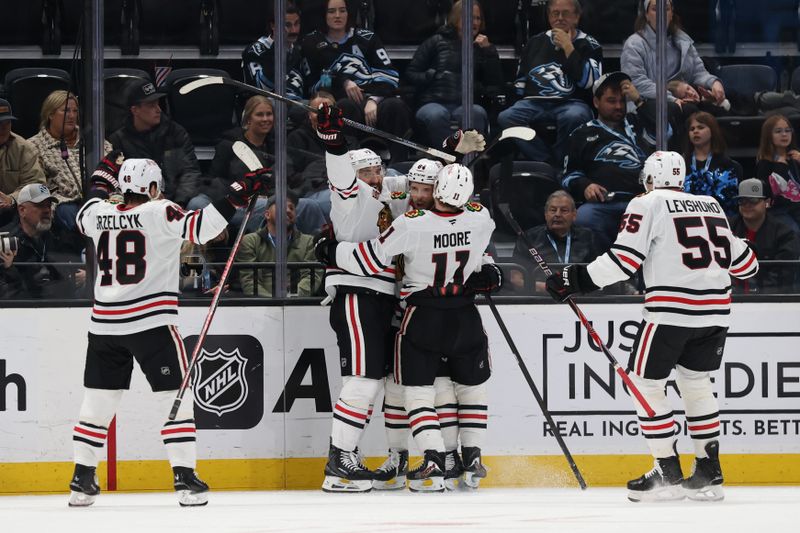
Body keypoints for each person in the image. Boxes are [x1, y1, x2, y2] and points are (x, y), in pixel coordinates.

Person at [546, 151, 759, 502]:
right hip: (716, 314)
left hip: (670, 314)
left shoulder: (647, 204)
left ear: (648, 179)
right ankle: (708, 470)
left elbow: (624, 260)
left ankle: (667, 470)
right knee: (696, 383)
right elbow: (747, 266)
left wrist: (576, 277)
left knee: (644, 385)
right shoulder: (710, 204)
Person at [67, 155, 270, 507]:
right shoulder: (159, 212)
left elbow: (89, 203)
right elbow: (203, 227)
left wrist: (102, 179)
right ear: (152, 187)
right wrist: (239, 191)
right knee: (175, 399)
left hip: (104, 326)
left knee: (97, 402)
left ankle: (81, 477)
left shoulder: (98, 213)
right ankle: (184, 479)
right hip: (151, 325)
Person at [315, 163, 500, 492]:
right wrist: (489, 268)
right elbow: (479, 247)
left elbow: (371, 258)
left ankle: (430, 459)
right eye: (415, 188)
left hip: (421, 311)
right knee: (464, 388)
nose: (418, 194)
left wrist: (332, 251)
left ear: (436, 190)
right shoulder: (481, 216)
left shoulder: (412, 224)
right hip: (463, 313)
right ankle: (465, 458)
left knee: (415, 390)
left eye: (426, 189)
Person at [312, 103, 414, 493]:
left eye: (377, 169)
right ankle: (339, 462)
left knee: (389, 383)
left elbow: (425, 184)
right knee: (361, 382)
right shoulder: (348, 196)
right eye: (365, 171)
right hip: (357, 295)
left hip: (388, 299)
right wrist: (333, 142)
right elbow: (339, 171)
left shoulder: (390, 189)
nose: (373, 176)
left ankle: (395, 460)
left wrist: (450, 152)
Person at [299, 0, 413, 161]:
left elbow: (390, 75)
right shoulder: (312, 42)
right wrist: (343, 82)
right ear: (323, 15)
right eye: (331, 11)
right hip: (339, 100)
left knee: (395, 106)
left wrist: (373, 99)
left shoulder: (367, 38)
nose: (337, 15)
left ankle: (398, 165)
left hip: (374, 98)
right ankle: (349, 164)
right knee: (344, 108)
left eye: (342, 10)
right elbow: (312, 85)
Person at [562, 71, 662, 253]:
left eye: (622, 101)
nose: (618, 106)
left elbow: (666, 133)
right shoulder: (582, 134)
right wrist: (586, 185)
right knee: (585, 218)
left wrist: (638, 100)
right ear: (596, 102)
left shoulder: (639, 124)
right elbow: (569, 175)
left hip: (643, 201)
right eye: (611, 101)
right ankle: (609, 273)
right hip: (604, 204)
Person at [497, 0, 602, 166]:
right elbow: (520, 81)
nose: (560, 18)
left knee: (575, 116)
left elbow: (590, 83)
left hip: (572, 103)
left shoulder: (589, 44)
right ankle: (547, 161)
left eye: (566, 13)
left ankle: (562, 164)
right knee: (506, 117)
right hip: (534, 102)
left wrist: (569, 48)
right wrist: (514, 102)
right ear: (548, 16)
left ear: (576, 17)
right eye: (555, 13)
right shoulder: (535, 42)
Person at [621, 0, 726, 141]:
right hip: (645, 103)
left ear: (671, 13)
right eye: (655, 9)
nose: (661, 14)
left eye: (666, 9)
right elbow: (638, 83)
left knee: (714, 109)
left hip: (682, 100)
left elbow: (698, 72)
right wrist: (671, 98)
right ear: (646, 15)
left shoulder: (683, 40)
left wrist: (714, 83)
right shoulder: (634, 44)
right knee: (682, 111)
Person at [405, 0, 503, 147]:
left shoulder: (483, 47)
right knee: (436, 115)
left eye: (478, 18)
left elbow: (495, 84)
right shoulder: (436, 41)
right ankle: (447, 160)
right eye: (469, 17)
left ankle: (470, 163)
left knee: (474, 113)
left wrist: (489, 52)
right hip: (433, 102)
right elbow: (411, 73)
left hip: (467, 103)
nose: (474, 22)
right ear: (456, 18)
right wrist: (430, 75)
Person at [107, 80, 203, 208]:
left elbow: (190, 172)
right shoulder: (118, 140)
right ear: (135, 110)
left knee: (199, 203)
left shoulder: (175, 133)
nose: (158, 110)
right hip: (138, 205)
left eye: (158, 104)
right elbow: (115, 182)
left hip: (177, 202)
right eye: (151, 105)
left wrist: (177, 204)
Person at [28, 91, 112, 231]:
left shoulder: (92, 139)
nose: (72, 116)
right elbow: (37, 186)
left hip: (101, 197)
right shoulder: (34, 146)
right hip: (65, 203)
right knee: (71, 214)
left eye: (75, 111)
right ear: (50, 114)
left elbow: (112, 163)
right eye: (66, 110)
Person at [0, 183, 84, 299]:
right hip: (22, 310)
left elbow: (79, 265)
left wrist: (87, 275)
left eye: (49, 205)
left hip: (64, 309)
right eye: (40, 206)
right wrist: (10, 270)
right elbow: (8, 294)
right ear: (22, 210)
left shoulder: (59, 235)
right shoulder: (6, 242)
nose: (46, 210)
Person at [236, 190, 320, 297]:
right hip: (260, 307)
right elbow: (249, 281)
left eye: (292, 208)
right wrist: (273, 303)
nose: (288, 210)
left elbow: (312, 277)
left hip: (297, 305)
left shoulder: (309, 242)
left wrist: (292, 297)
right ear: (267, 214)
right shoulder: (249, 241)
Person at [511, 190, 596, 293]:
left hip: (580, 298)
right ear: (546, 214)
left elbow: (599, 274)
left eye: (564, 210)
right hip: (539, 300)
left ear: (574, 214)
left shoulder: (587, 237)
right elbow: (515, 281)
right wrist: (550, 288)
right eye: (553, 210)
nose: (557, 214)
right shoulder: (528, 238)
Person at [241, 2, 307, 127]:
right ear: (273, 25)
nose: (293, 30)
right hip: (266, 107)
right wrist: (279, 49)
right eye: (287, 25)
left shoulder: (299, 50)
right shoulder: (256, 50)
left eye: (296, 24)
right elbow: (262, 88)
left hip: (298, 106)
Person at [730, 178, 800, 293]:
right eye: (742, 200)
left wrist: (756, 297)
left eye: (753, 200)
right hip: (733, 299)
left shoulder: (786, 234)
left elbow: (783, 277)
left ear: (767, 202)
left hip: (770, 302)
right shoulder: (727, 229)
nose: (747, 205)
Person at [682, 111, 742, 216]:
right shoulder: (680, 165)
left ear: (712, 131)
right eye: (692, 129)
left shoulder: (730, 166)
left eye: (700, 127)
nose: (695, 131)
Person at [0, 98, 46, 227]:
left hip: (14, 212)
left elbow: (38, 186)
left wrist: (12, 199)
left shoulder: (24, 148)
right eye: (0, 123)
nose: (4, 128)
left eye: (7, 122)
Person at [755, 114, 800, 232]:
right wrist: (780, 166)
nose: (784, 134)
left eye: (787, 130)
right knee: (793, 232)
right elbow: (769, 194)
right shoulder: (765, 163)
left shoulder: (794, 158)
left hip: (797, 207)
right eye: (778, 131)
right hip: (779, 210)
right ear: (769, 136)